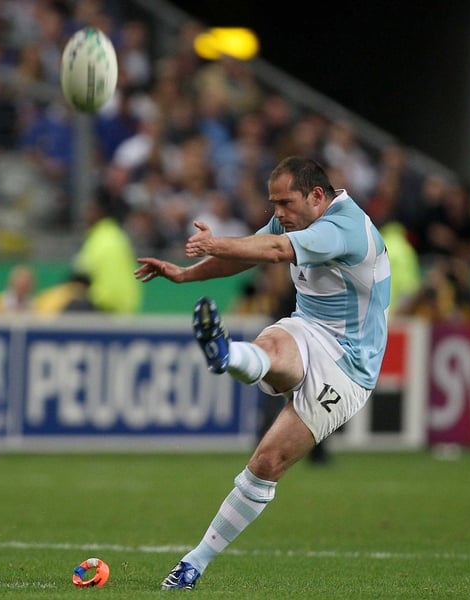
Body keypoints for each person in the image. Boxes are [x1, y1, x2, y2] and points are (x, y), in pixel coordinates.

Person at [134, 156, 391, 590]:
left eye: (285, 203)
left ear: (316, 196)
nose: (277, 213)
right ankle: (225, 354)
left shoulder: (347, 227)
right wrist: (184, 276)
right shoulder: (295, 222)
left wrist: (216, 244)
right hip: (308, 328)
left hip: (350, 364)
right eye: (273, 203)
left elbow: (273, 252)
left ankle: (196, 560)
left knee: (267, 463)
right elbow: (248, 254)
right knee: (272, 348)